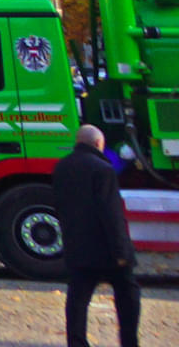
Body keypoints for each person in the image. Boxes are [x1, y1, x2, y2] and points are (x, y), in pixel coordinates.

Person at [54, 124, 142, 347]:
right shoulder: (103, 169)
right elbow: (111, 213)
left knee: (77, 299)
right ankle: (129, 342)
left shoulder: (62, 167)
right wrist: (122, 252)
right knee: (128, 293)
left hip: (77, 246)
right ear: (98, 144)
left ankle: (77, 342)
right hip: (106, 249)